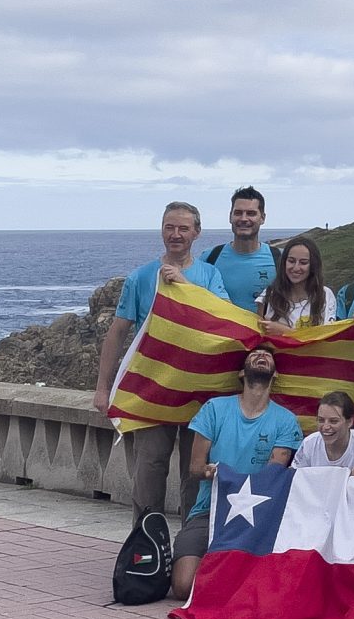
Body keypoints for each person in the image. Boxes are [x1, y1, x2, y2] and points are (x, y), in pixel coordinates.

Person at [97, 202, 223, 521]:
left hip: (198, 394)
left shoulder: (209, 275)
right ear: (161, 230)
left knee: (193, 475)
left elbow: (222, 321)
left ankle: (188, 552)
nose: (175, 235)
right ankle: (145, 545)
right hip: (153, 391)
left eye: (183, 228)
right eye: (169, 227)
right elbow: (117, 333)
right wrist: (102, 388)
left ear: (196, 232)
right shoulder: (140, 277)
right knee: (149, 471)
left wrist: (184, 284)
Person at [171, 348, 304, 597]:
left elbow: (275, 471)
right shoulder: (214, 409)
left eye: (267, 355)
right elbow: (195, 468)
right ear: (242, 372)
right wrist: (213, 472)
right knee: (183, 586)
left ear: (275, 375)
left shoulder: (286, 421)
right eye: (254, 354)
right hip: (208, 511)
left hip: (258, 515)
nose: (261, 355)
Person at [205, 187, 278, 311]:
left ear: (263, 218)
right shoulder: (210, 258)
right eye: (238, 213)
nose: (243, 219)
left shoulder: (280, 260)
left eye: (251, 213)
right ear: (230, 216)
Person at [256, 235, 333, 333]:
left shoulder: (325, 295)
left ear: (313, 265)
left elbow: (326, 339)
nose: (296, 268)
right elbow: (259, 337)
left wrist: (285, 332)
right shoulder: (268, 294)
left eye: (303, 263)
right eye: (291, 261)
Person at [292, 390, 354, 470]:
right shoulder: (309, 443)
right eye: (321, 420)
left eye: (333, 421)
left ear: (350, 422)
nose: (326, 427)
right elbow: (294, 476)